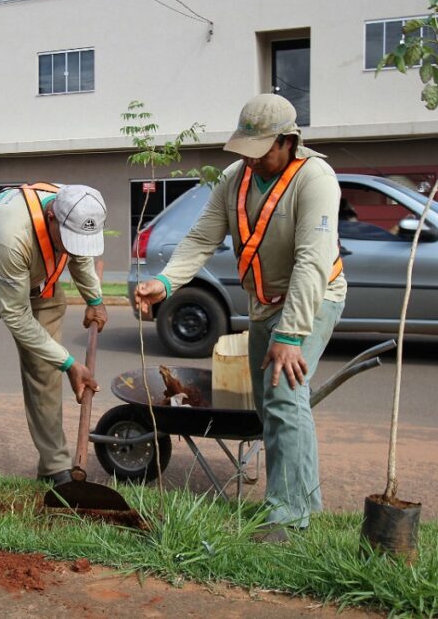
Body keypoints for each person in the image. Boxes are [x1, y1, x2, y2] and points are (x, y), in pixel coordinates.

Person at [134, 94, 347, 542]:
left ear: (289, 142)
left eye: (262, 150)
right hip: (263, 303)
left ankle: (286, 519)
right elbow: (200, 238)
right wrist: (166, 282)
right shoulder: (236, 177)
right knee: (276, 405)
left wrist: (290, 334)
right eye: (246, 150)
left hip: (313, 299)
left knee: (283, 393)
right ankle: (303, 503)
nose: (252, 160)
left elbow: (312, 262)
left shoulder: (317, 180)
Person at [0, 183, 109, 500]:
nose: (72, 247)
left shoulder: (78, 206)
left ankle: (55, 467)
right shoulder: (13, 232)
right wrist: (69, 363)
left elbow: (80, 255)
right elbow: (16, 316)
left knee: (45, 370)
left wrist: (95, 300)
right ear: (51, 216)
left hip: (38, 278)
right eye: (66, 239)